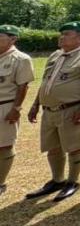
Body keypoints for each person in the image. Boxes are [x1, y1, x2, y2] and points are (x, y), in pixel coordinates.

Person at [26, 21, 80, 202]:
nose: (61, 37)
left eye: (67, 34)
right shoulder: (56, 55)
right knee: (53, 147)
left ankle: (73, 181)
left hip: (71, 109)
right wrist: (35, 104)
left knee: (74, 147)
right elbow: (46, 82)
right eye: (61, 34)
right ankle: (57, 180)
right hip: (49, 110)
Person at [0, 25, 35, 196]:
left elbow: (23, 86)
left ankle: (0, 182)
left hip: (5, 105)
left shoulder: (21, 59)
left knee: (4, 145)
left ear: (13, 39)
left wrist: (16, 108)